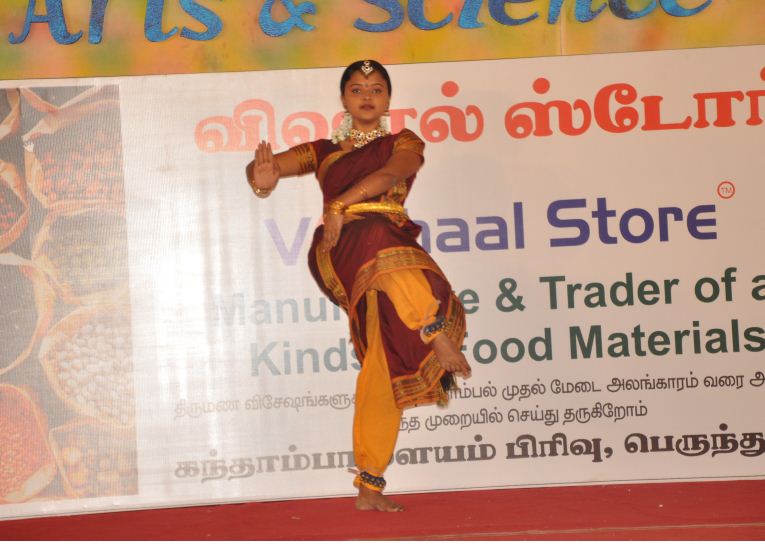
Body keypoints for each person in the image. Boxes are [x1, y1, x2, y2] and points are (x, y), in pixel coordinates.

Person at [245, 60, 471, 512]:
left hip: (389, 244)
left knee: (382, 362)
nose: (367, 96)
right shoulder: (322, 150)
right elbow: (264, 167)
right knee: (371, 233)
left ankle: (370, 484)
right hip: (341, 246)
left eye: (376, 89)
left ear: (387, 100)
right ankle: (432, 329)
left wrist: (340, 203)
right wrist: (260, 177)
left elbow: (391, 175)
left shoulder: (404, 142)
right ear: (344, 99)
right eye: (357, 89)